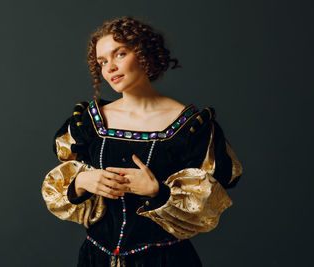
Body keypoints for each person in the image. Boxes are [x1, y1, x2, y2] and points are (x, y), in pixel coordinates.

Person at [42, 16, 243, 267]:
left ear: (143, 53)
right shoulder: (89, 122)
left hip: (164, 260)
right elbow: (62, 185)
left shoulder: (190, 126)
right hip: (97, 259)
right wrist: (82, 181)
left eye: (120, 54)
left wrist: (157, 191)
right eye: (102, 62)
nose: (110, 67)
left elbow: (207, 203)